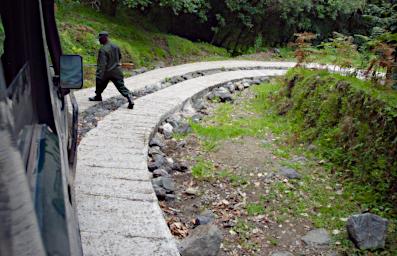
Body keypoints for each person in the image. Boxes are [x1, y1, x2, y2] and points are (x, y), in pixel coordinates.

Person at [89, 31, 134, 109]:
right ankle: (130, 99)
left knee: (99, 82)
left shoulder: (103, 50)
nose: (99, 40)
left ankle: (98, 96)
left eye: (100, 39)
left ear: (104, 38)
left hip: (106, 72)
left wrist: (99, 74)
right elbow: (119, 57)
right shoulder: (116, 46)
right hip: (117, 71)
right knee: (121, 87)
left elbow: (102, 64)